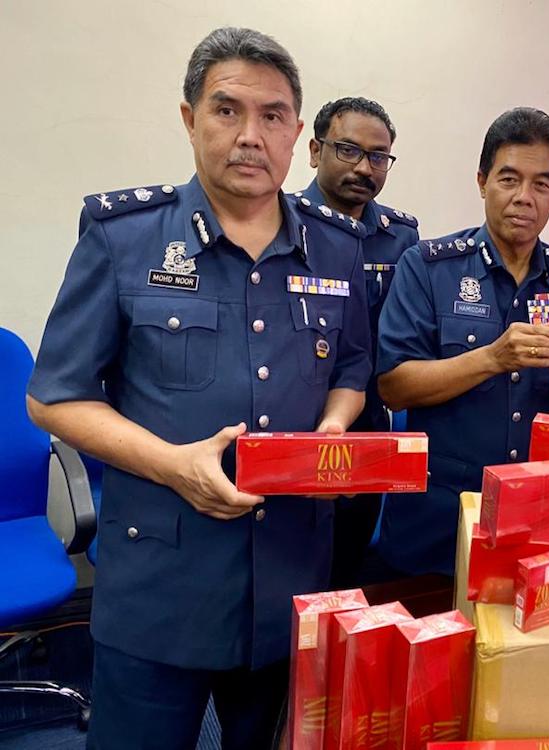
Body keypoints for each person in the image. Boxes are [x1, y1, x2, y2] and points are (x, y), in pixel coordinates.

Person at [26, 27, 370, 749]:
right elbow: (54, 395)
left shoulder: (337, 248)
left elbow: (351, 367)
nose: (250, 136)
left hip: (290, 580)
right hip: (161, 586)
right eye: (226, 110)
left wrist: (335, 428)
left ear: (297, 134)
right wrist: (173, 465)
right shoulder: (124, 237)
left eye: (272, 116)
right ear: (190, 119)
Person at [376, 107, 549, 576]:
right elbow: (393, 387)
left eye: (542, 184)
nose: (524, 197)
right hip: (435, 520)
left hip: (535, 519)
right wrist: (492, 357)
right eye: (509, 179)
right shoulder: (428, 267)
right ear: (482, 182)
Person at [298, 97, 419, 587]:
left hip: (365, 424)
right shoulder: (279, 223)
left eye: (378, 156)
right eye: (348, 150)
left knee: (346, 570)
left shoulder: (401, 238)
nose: (364, 168)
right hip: (291, 420)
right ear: (315, 151)